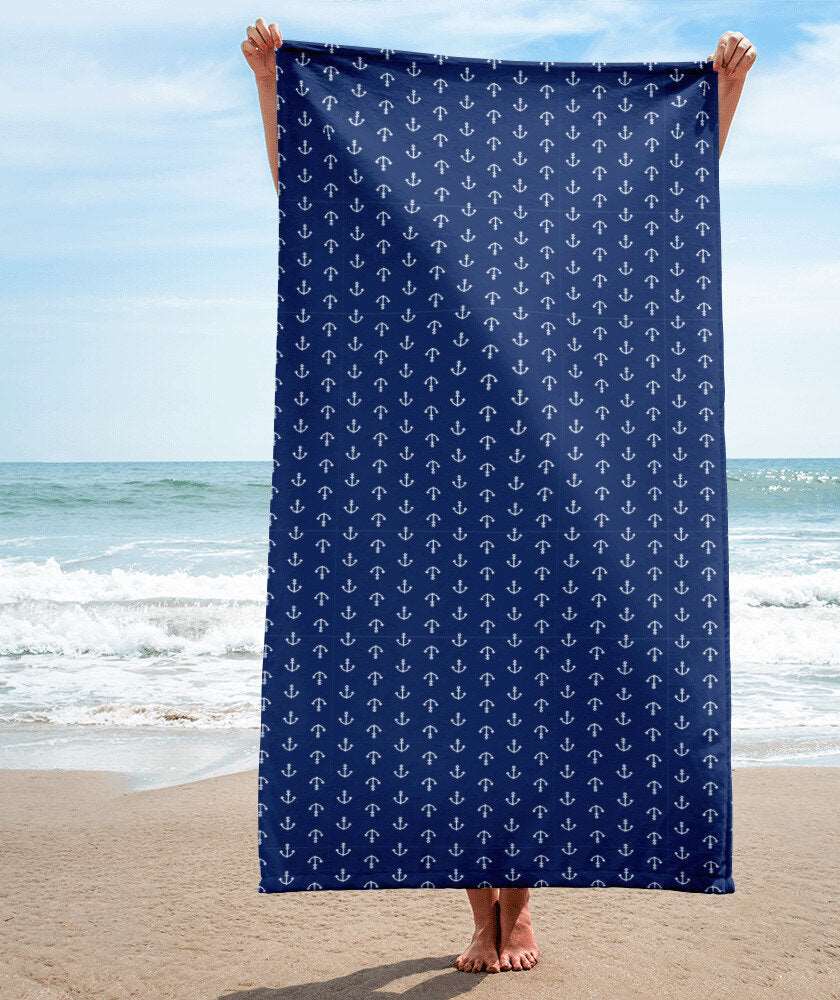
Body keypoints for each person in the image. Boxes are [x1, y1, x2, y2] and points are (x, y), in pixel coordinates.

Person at [242, 17, 754, 975]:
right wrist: (273, 82)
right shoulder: (410, 233)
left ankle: (517, 911)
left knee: (542, 694)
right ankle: (484, 915)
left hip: (549, 483)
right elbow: (309, 188)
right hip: (430, 485)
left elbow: (657, 190)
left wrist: (720, 95)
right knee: (450, 699)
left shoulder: (558, 237)